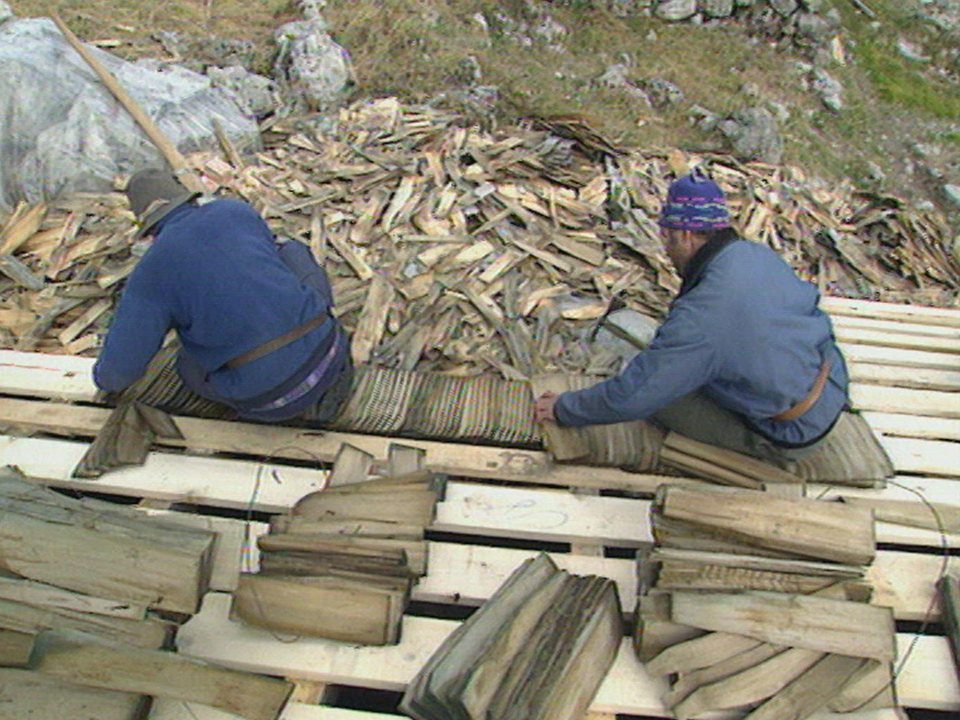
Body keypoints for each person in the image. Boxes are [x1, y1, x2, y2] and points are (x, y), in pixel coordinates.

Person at [533, 168, 849, 466]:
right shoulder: (753, 255)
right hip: (830, 385)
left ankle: (764, 448)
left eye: (668, 239)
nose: (667, 251)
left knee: (663, 399)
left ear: (686, 236)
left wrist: (565, 409)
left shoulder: (702, 321)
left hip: (792, 433)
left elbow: (635, 396)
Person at [93, 168, 352, 424]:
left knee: (186, 364)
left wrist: (102, 378)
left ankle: (291, 401)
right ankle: (316, 338)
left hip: (273, 397)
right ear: (190, 199)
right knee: (291, 250)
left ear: (149, 232)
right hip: (332, 348)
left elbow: (118, 374)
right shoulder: (236, 211)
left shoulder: (149, 272)